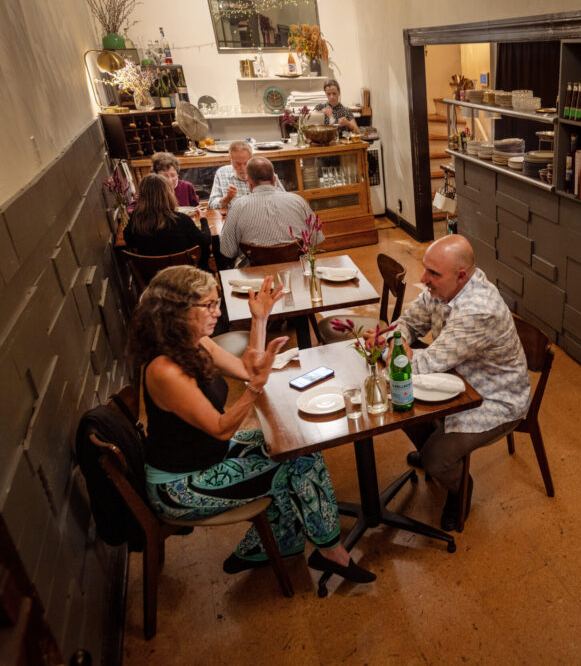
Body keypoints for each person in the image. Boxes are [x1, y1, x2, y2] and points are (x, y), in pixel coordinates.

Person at [127, 266, 374, 583]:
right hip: (180, 486)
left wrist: (259, 319)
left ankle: (273, 545)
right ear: (177, 312)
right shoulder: (164, 369)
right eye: (209, 305)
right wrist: (255, 388)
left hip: (209, 456)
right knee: (292, 462)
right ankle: (331, 553)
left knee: (297, 446)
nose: (218, 312)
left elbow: (246, 368)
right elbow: (221, 428)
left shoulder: (196, 342)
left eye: (217, 303)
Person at [379, 235, 529, 530]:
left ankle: (460, 486)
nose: (424, 279)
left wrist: (393, 352)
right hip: (458, 380)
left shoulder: (476, 311)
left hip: (495, 398)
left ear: (461, 276)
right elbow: (406, 324)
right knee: (402, 407)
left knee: (435, 458)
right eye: (426, 270)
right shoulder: (444, 289)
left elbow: (421, 365)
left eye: (433, 273)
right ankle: (437, 452)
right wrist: (396, 345)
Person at [218, 156, 321, 263]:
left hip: (255, 274)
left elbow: (228, 251)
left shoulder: (237, 206)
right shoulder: (298, 201)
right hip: (297, 269)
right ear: (275, 179)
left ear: (249, 182)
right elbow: (315, 239)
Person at [124, 173, 212, 271]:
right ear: (168, 194)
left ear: (142, 196)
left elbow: (129, 242)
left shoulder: (136, 220)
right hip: (185, 275)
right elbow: (206, 240)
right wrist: (203, 219)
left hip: (153, 278)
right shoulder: (180, 219)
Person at [208, 141, 284, 212]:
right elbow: (211, 205)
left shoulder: (265, 171)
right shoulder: (222, 173)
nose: (243, 168)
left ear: (252, 158)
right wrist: (227, 198)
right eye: (238, 164)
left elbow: (284, 199)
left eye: (246, 163)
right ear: (230, 159)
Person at [127, 152, 199, 214]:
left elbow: (196, 208)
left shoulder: (187, 187)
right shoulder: (150, 189)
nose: (169, 180)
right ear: (156, 176)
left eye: (173, 175)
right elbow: (131, 210)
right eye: (164, 176)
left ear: (177, 173)